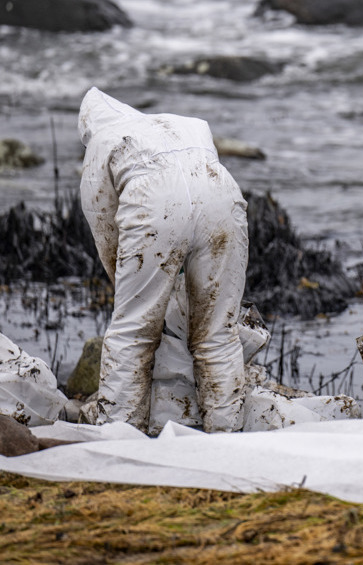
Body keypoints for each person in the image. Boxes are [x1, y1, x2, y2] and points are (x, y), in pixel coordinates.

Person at [77, 87, 251, 433]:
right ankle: (227, 436)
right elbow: (197, 188)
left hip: (153, 204)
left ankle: (122, 435)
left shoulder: (102, 142)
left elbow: (105, 229)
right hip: (223, 199)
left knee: (132, 332)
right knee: (218, 333)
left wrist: (134, 287)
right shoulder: (189, 125)